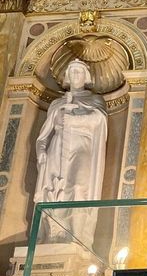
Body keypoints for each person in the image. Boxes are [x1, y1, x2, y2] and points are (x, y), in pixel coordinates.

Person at [34, 58, 107, 246]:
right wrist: (41, 151)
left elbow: (98, 120)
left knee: (78, 187)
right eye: (72, 71)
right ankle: (49, 236)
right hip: (57, 147)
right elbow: (44, 134)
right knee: (51, 190)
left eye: (79, 72)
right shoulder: (57, 103)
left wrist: (74, 121)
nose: (75, 75)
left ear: (86, 76)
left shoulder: (94, 99)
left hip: (82, 146)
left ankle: (78, 237)